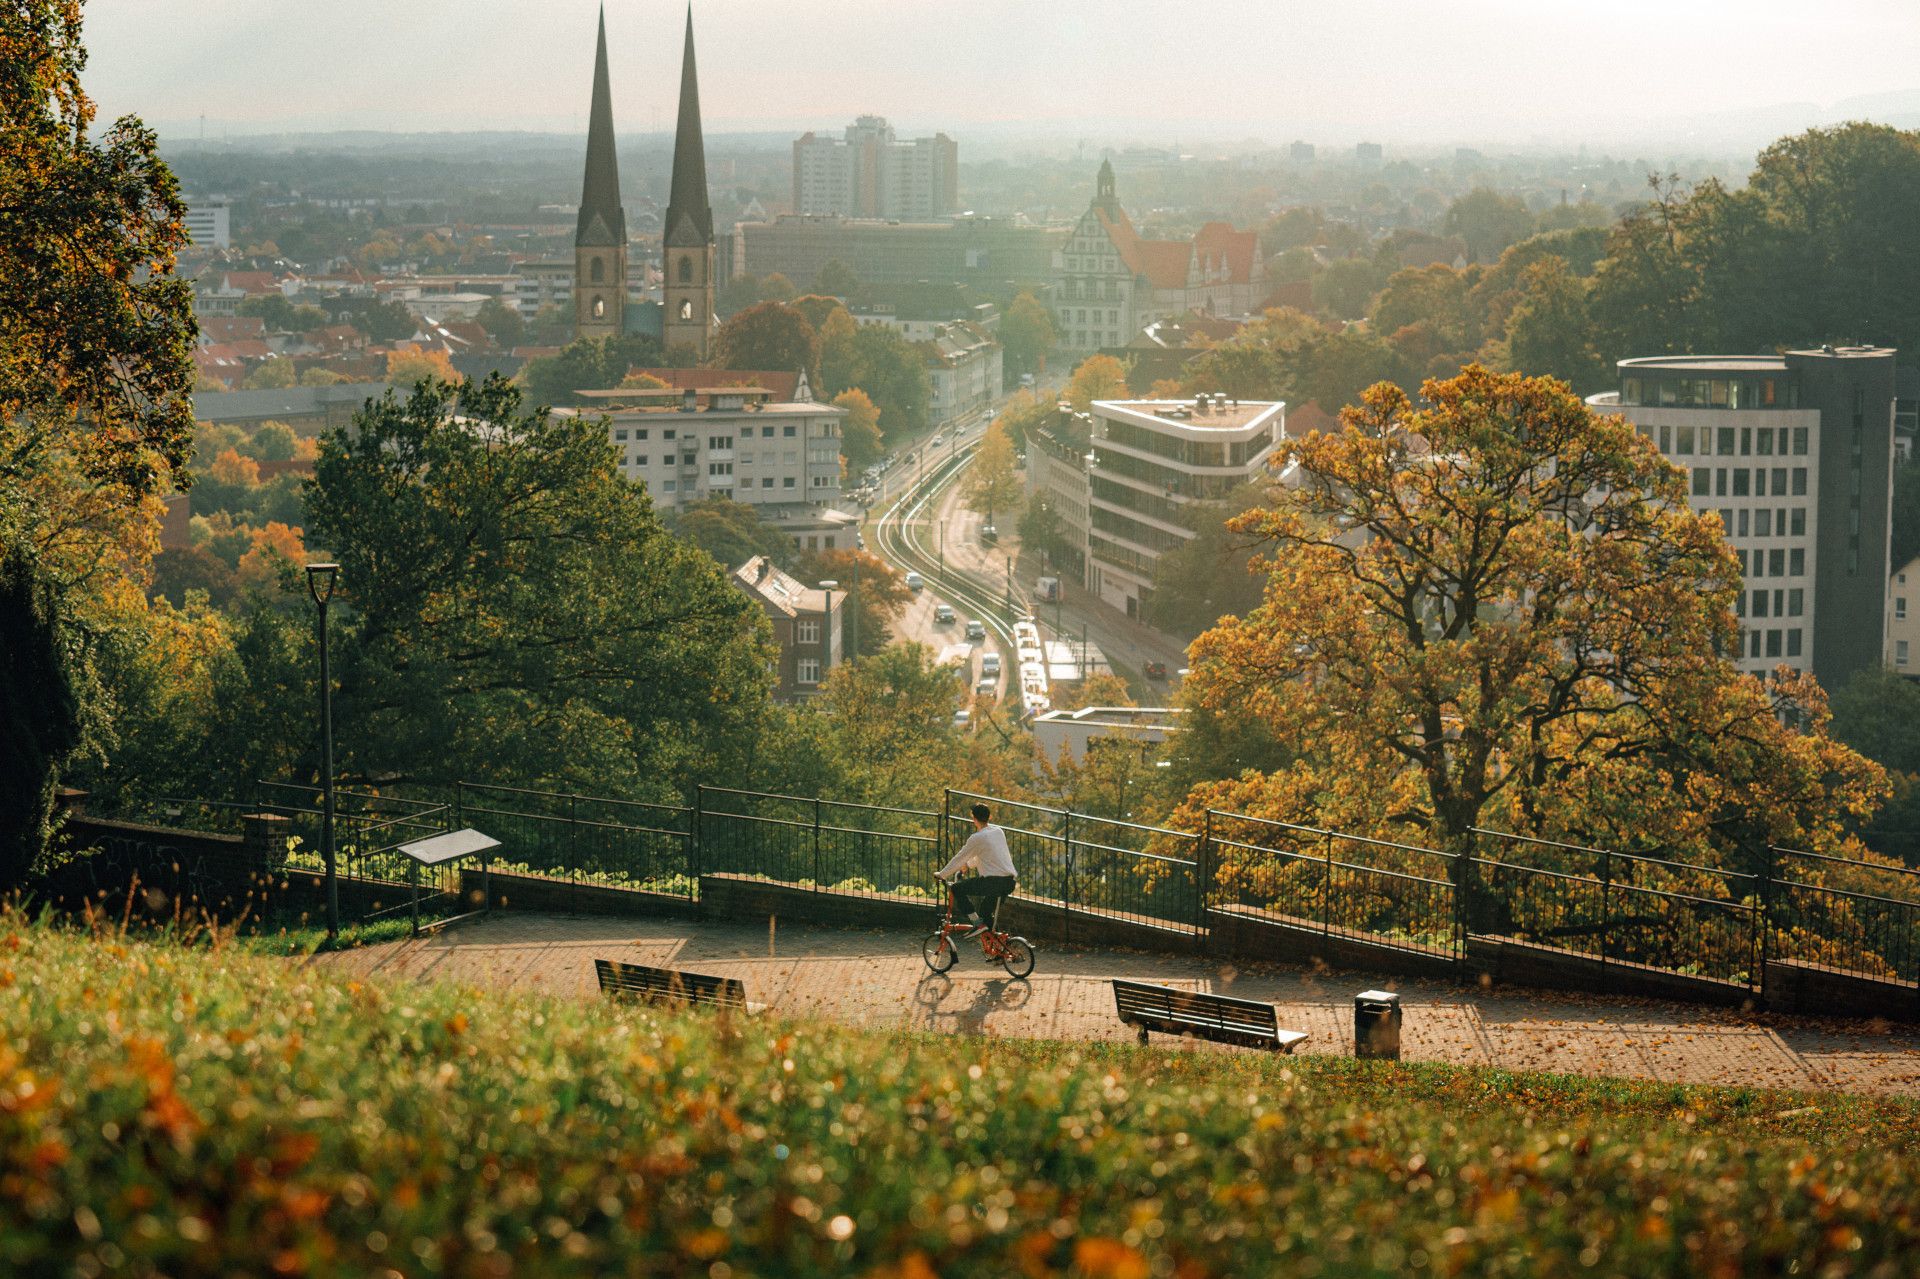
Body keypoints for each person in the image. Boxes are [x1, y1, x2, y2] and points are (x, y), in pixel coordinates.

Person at [936, 802, 1018, 936]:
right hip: (1009, 882)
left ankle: (976, 923)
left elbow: (960, 858)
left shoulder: (977, 838)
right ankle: (998, 945)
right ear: (989, 817)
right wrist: (968, 865)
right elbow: (986, 855)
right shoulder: (998, 831)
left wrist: (942, 874)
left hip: (992, 882)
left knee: (957, 888)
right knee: (985, 913)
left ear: (973, 818)